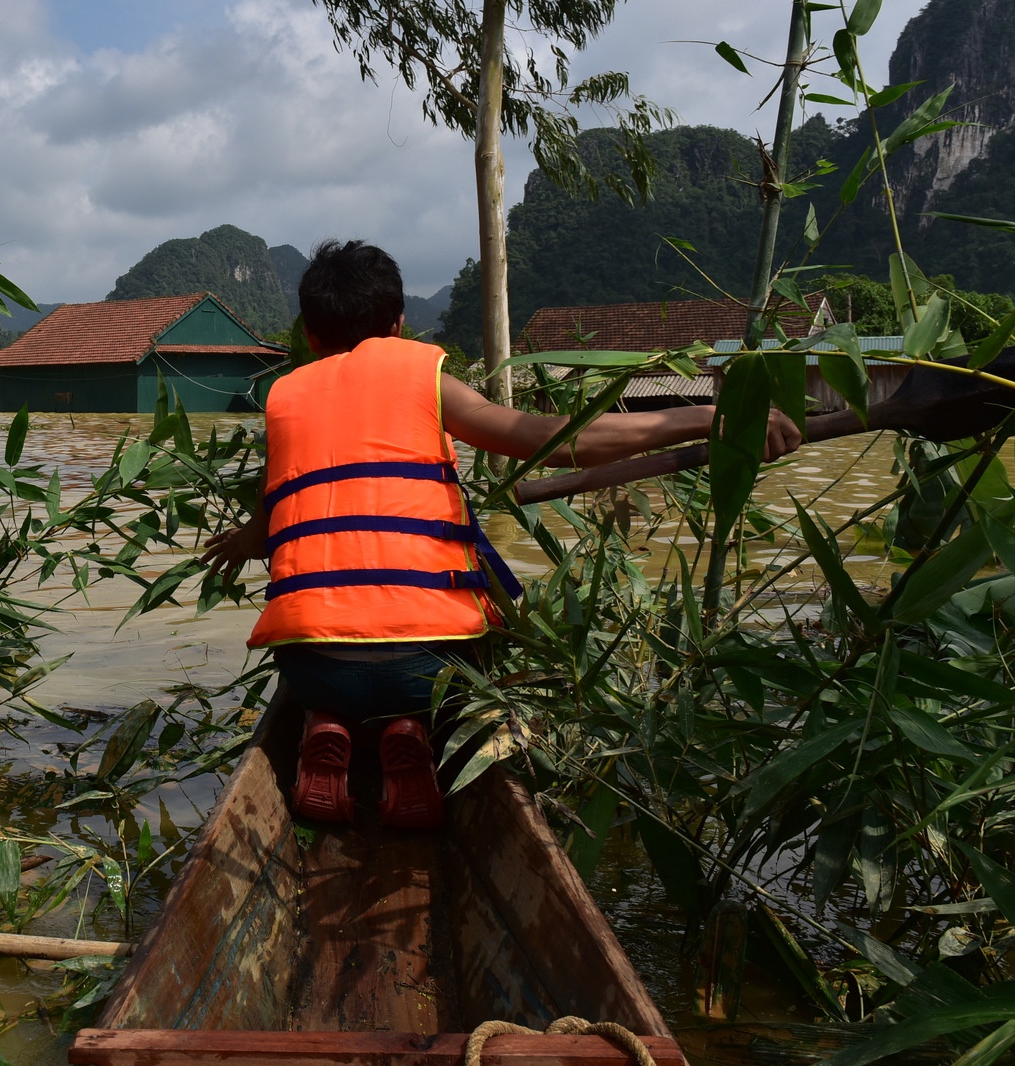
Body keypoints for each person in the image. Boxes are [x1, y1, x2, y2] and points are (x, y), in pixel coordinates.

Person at [205, 240, 801, 828]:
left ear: (309, 336)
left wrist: (237, 543)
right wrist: (708, 415)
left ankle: (323, 725)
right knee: (460, 648)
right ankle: (411, 728)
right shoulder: (425, 378)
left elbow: (266, 525)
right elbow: (558, 439)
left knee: (326, 674)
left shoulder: (284, 399)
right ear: (400, 325)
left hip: (313, 668)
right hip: (423, 667)